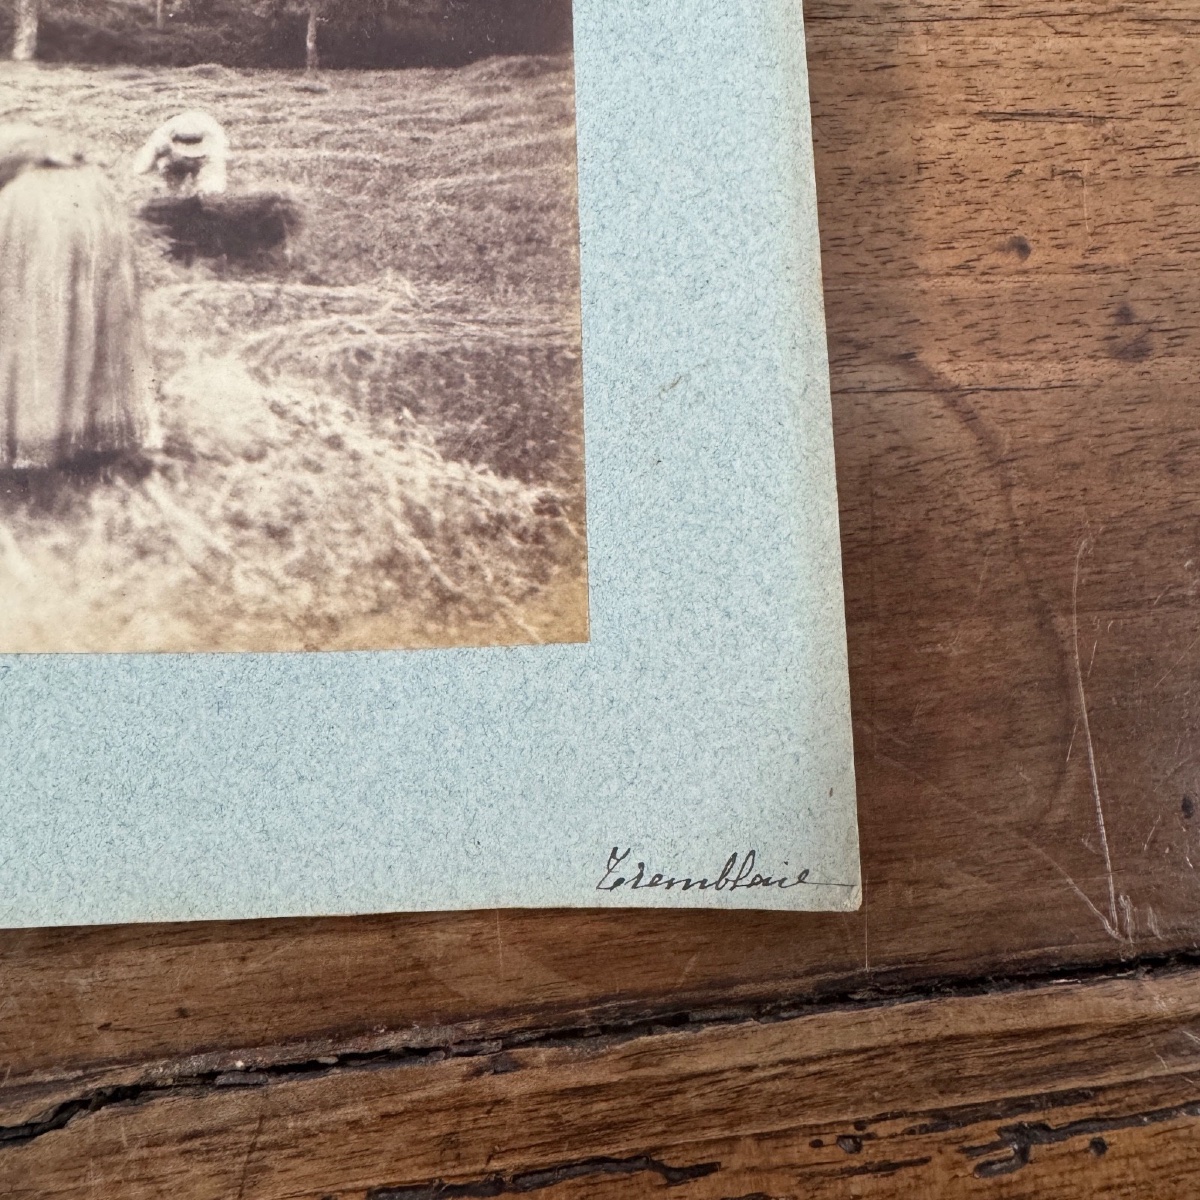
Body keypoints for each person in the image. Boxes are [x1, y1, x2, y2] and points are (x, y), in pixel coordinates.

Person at [0, 125, 156, 474]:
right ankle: (92, 438)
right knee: (85, 317)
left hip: (38, 210)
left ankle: (38, 445)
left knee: (36, 322)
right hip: (94, 201)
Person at [133, 110, 228, 196]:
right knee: (169, 188)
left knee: (210, 190)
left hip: (206, 155)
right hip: (172, 157)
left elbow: (217, 185)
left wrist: (204, 189)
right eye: (187, 156)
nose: (191, 159)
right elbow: (139, 169)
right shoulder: (160, 140)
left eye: (195, 156)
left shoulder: (216, 143)